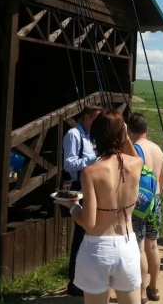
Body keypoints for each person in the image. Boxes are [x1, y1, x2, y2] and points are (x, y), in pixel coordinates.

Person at [55, 109, 144, 304]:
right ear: (122, 133)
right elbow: (132, 153)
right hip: (127, 244)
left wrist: (72, 206)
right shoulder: (136, 164)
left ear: (95, 136)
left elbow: (88, 222)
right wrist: (124, 133)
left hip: (97, 247)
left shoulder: (90, 171)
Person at [63, 105, 103, 297]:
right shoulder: (74, 135)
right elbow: (68, 163)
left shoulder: (92, 136)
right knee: (81, 235)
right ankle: (74, 283)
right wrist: (94, 160)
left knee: (90, 233)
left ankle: (85, 280)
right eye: (96, 118)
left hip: (92, 186)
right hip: (79, 186)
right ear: (86, 117)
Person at [128, 113, 163, 303]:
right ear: (147, 129)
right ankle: (154, 288)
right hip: (156, 199)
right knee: (153, 245)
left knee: (140, 248)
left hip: (139, 202)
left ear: (130, 130)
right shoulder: (157, 148)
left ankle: (142, 292)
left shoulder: (134, 149)